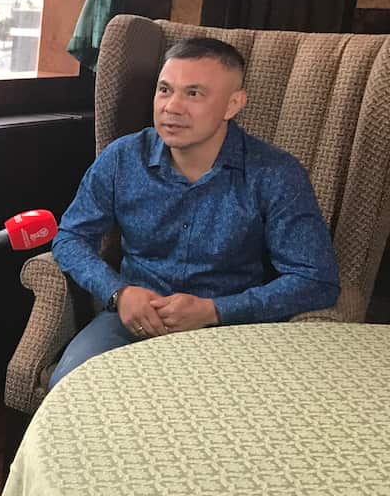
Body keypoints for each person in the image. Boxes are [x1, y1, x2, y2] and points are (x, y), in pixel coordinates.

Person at [48, 37, 339, 389]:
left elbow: (316, 280)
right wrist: (118, 292)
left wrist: (215, 310)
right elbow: (71, 237)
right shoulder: (122, 158)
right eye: (165, 90)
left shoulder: (275, 173)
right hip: (134, 320)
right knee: (69, 387)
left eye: (193, 94)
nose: (172, 107)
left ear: (233, 104)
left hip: (233, 329)